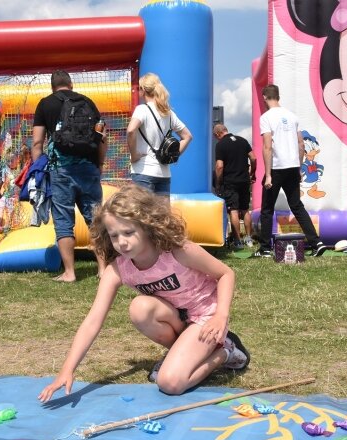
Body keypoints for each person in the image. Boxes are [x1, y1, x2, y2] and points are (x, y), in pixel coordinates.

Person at [38, 184, 250, 401]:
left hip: (206, 317)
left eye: (129, 232)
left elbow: (226, 274)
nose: (121, 242)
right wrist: (67, 369)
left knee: (169, 383)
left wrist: (220, 316)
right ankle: (182, 352)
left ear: (147, 226)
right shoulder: (118, 270)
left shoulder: (177, 250)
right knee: (139, 308)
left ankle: (226, 351)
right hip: (178, 319)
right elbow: (93, 321)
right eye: (114, 235)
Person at [32, 70, 107, 282]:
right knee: (96, 219)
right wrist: (99, 164)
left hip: (61, 171)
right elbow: (102, 137)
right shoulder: (88, 102)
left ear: (52, 86)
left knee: (63, 221)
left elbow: (37, 142)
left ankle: (69, 272)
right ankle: (102, 269)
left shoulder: (45, 104)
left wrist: (39, 169)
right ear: (71, 84)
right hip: (89, 168)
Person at [258, 84, 327, 258]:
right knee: (297, 206)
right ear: (278, 96)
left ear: (265, 97)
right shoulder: (292, 116)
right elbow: (301, 144)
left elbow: (267, 147)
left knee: (267, 209)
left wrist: (267, 175)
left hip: (276, 167)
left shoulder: (266, 117)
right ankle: (316, 242)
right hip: (292, 167)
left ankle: (265, 248)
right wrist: (298, 167)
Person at [127, 73, 192, 196]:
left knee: (143, 213)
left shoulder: (142, 109)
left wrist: (134, 155)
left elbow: (131, 130)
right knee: (161, 215)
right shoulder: (168, 113)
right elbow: (187, 136)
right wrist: (173, 155)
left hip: (143, 171)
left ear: (143, 90)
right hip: (164, 173)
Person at [213, 123, 256, 249]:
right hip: (244, 180)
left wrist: (218, 182)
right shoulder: (243, 140)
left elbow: (219, 166)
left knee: (234, 210)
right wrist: (252, 173)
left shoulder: (220, 145)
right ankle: (248, 239)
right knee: (245, 209)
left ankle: (237, 241)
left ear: (217, 134)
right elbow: (253, 158)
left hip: (230, 181)